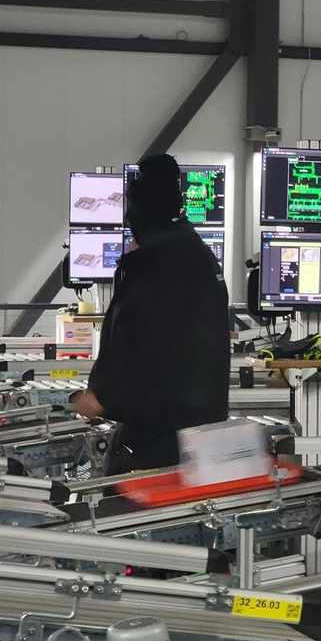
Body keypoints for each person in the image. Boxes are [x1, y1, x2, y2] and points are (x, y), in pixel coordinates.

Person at [72, 154, 230, 475]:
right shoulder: (194, 253)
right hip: (196, 431)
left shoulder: (158, 266)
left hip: (160, 438)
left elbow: (141, 344)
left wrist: (101, 397)